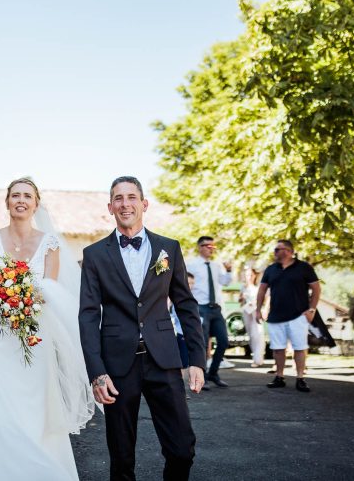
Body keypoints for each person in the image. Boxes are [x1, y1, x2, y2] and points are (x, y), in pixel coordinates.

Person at [80, 176, 205, 481]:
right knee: (122, 457)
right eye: (118, 198)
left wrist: (197, 360)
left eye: (131, 197)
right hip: (117, 365)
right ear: (110, 207)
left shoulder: (168, 248)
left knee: (182, 449)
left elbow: (186, 306)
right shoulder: (94, 254)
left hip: (164, 359)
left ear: (144, 204)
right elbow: (88, 316)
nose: (125, 204)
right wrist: (97, 372)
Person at [0, 177, 94, 480]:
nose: (21, 200)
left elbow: (48, 291)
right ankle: (0, 472)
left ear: (36, 204)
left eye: (27, 196)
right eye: (15, 195)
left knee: (36, 403)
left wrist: (20, 293)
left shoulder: (50, 244)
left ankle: (42, 470)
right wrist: (6, 291)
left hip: (34, 334)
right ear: (7, 202)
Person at [256, 239, 320, 393]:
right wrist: (258, 309)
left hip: (298, 315)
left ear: (289, 251)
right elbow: (262, 290)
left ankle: (300, 378)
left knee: (299, 348)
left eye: (279, 249)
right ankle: (279, 376)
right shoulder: (271, 269)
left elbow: (316, 288)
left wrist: (311, 309)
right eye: (275, 250)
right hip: (275, 316)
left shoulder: (304, 267)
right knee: (278, 349)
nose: (276, 252)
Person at [187, 236, 233, 388]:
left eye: (213, 246)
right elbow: (185, 284)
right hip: (200, 307)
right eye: (208, 246)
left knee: (223, 341)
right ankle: (203, 377)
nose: (211, 249)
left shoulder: (216, 265)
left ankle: (213, 373)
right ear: (200, 247)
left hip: (215, 308)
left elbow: (225, 282)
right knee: (202, 343)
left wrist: (229, 270)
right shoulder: (191, 265)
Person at [239, 268, 265, 367]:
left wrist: (256, 304)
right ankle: (255, 356)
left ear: (255, 276)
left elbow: (263, 299)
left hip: (256, 311)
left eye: (251, 275)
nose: (249, 277)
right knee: (251, 335)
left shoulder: (258, 287)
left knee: (258, 333)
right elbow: (240, 302)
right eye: (247, 275)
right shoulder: (243, 287)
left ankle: (258, 359)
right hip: (247, 312)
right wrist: (243, 299)